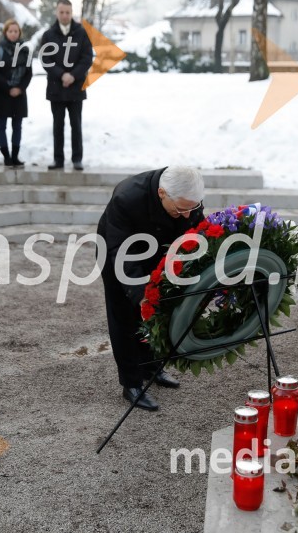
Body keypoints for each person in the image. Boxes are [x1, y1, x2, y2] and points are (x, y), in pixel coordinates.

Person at [97, 166, 205, 411]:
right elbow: (123, 254)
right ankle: (131, 384)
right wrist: (141, 296)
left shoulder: (188, 195)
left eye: (193, 207)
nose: (188, 214)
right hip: (118, 252)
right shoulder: (126, 198)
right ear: (162, 193)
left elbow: (196, 231)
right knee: (125, 316)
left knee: (158, 311)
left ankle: (151, 367)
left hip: (158, 249)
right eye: (181, 209)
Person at [39, 0, 93, 171]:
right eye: (61, 12)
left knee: (76, 125)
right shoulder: (48, 35)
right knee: (58, 126)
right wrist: (61, 74)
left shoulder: (81, 33)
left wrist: (73, 75)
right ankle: (58, 159)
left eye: (67, 12)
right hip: (56, 88)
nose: (64, 15)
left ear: (71, 13)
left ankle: (77, 159)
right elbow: (46, 59)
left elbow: (87, 58)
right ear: (57, 13)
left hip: (76, 88)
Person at [0, 19, 32, 166]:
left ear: (19, 33)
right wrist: (8, 88)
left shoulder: (25, 51)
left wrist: (19, 88)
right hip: (2, 93)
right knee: (1, 126)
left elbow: (29, 73)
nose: (13, 34)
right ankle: (6, 156)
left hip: (19, 94)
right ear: (5, 32)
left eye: (16, 31)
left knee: (17, 126)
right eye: (10, 31)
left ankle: (15, 156)